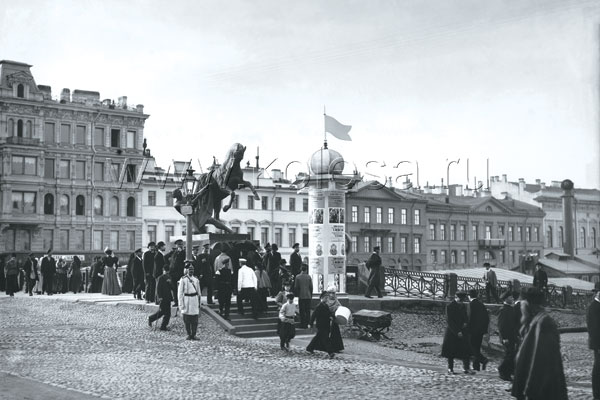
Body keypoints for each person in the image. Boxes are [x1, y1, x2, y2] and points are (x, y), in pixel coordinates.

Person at [511, 287, 567, 400]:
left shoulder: (543, 323)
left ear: (527, 304)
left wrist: (529, 390)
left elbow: (540, 364)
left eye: (522, 304)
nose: (520, 307)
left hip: (541, 391)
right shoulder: (534, 321)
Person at [441, 292, 473, 374]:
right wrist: (457, 331)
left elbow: (466, 316)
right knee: (451, 351)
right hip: (452, 332)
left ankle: (466, 368)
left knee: (465, 350)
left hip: (463, 330)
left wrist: (465, 322)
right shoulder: (450, 307)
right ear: (456, 297)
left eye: (462, 300)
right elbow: (450, 321)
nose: (461, 302)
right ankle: (450, 368)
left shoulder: (463, 306)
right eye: (460, 300)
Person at [306, 291, 335, 359]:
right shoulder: (319, 306)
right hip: (321, 325)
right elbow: (314, 315)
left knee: (317, 337)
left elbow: (329, 313)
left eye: (327, 298)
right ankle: (330, 352)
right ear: (321, 298)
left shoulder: (326, 305)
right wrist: (310, 323)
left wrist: (332, 316)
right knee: (326, 339)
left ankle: (310, 348)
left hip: (326, 324)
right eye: (325, 298)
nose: (326, 299)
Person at [467, 289, 489, 371]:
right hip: (480, 331)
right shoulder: (481, 305)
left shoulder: (470, 305)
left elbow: (469, 318)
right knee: (477, 347)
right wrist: (485, 330)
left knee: (472, 347)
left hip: (472, 330)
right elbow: (486, 318)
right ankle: (476, 366)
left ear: (469, 296)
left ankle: (483, 359)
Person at [498, 293, 518, 382]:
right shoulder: (503, 310)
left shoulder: (511, 309)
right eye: (510, 297)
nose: (512, 298)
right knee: (509, 355)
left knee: (512, 354)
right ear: (505, 299)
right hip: (506, 337)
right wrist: (504, 337)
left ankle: (510, 371)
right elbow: (501, 326)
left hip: (512, 336)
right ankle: (503, 371)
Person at [178, 263, 201, 340]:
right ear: (187, 270)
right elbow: (180, 293)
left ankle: (194, 334)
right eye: (190, 269)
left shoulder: (196, 280)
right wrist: (181, 304)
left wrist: (199, 303)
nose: (191, 271)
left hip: (194, 300)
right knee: (187, 319)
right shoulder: (183, 279)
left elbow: (199, 293)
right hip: (187, 300)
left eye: (192, 269)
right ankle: (188, 334)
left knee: (195, 319)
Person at [149, 264, 173, 331]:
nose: (167, 273)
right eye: (166, 271)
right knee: (162, 312)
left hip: (168, 297)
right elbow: (158, 288)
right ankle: (151, 318)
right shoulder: (160, 278)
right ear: (163, 271)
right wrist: (159, 297)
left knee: (168, 313)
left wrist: (170, 283)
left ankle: (163, 326)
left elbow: (172, 287)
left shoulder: (169, 277)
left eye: (168, 272)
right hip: (162, 297)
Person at [587, 286, 600, 400]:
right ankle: (597, 394)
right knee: (598, 369)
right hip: (598, 343)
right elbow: (594, 328)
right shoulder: (593, 307)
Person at [323, 284, 344, 353]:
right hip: (327, 318)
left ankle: (336, 347)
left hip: (334, 319)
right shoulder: (326, 300)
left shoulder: (336, 300)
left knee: (335, 333)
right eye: (330, 293)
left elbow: (340, 307)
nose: (332, 294)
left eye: (333, 293)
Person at [294, 264, 313, 329]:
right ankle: (308, 323)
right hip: (308, 296)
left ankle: (303, 324)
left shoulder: (297, 277)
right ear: (306, 270)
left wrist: (297, 295)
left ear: (301, 269)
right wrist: (311, 295)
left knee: (302, 311)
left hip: (301, 296)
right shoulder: (309, 277)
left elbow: (296, 287)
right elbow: (311, 287)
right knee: (307, 310)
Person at [169, 239, 186, 307]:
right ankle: (176, 301)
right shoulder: (174, 253)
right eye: (179, 244)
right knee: (174, 288)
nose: (180, 246)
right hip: (173, 273)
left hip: (180, 273)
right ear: (176, 245)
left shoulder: (184, 253)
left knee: (181, 288)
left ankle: (181, 301)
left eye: (181, 244)